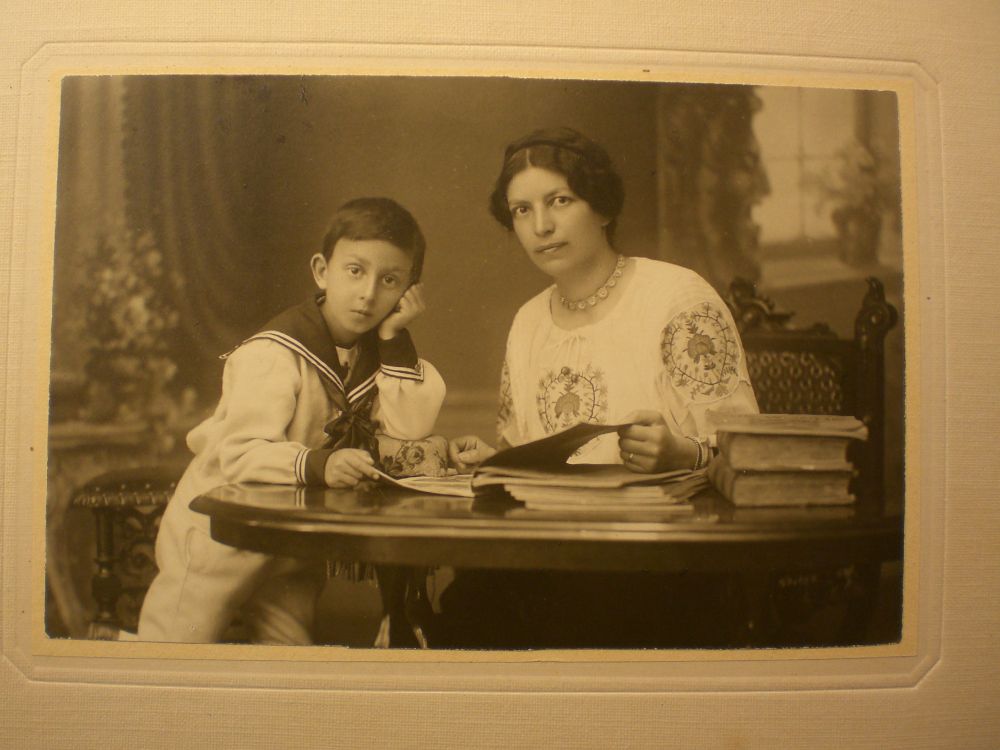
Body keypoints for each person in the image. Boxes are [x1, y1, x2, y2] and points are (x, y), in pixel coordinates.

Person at [441, 127, 759, 648]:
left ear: (604, 208)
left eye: (559, 201)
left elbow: (750, 457)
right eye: (521, 210)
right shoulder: (527, 323)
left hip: (665, 566)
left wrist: (683, 452)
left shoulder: (676, 299)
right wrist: (495, 460)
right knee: (469, 605)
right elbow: (528, 452)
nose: (541, 226)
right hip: (550, 560)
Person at [138, 197, 446, 644]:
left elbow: (409, 432)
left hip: (291, 539)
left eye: (391, 280)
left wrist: (396, 340)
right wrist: (320, 465)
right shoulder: (273, 353)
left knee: (290, 651)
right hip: (221, 530)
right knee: (177, 641)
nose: (368, 293)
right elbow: (240, 455)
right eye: (355, 271)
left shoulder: (378, 353)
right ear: (322, 271)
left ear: (408, 293)